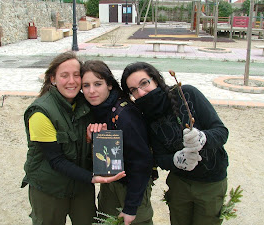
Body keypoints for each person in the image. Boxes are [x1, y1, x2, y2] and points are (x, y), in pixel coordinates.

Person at [21, 51, 125, 225]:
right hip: (50, 188)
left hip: (81, 187)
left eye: (76, 75)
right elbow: (56, 160)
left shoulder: (86, 104)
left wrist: (94, 139)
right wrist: (92, 178)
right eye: (64, 75)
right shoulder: (40, 112)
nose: (71, 81)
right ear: (53, 79)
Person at [121, 62, 229, 225]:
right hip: (180, 184)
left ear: (155, 79)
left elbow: (221, 132)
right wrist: (176, 160)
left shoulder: (186, 95)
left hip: (211, 182)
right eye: (133, 90)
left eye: (144, 83)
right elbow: (159, 157)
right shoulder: (145, 117)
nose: (141, 92)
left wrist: (203, 138)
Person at [81, 60, 154, 225]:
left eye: (98, 84)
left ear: (109, 85)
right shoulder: (97, 109)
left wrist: (131, 207)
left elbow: (142, 162)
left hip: (132, 186)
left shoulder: (125, 115)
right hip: (111, 183)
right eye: (86, 85)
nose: (91, 91)